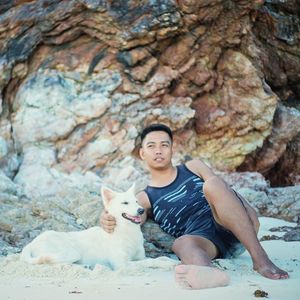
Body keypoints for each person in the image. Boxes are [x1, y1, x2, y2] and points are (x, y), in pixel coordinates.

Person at [100, 123, 289, 289]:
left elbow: (226, 192)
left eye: (164, 145)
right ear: (142, 153)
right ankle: (209, 273)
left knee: (213, 184)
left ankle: (260, 258)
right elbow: (129, 219)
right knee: (181, 242)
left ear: (172, 150)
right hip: (206, 243)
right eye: (151, 146)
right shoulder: (144, 198)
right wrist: (108, 217)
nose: (158, 151)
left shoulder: (193, 167)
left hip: (234, 223)